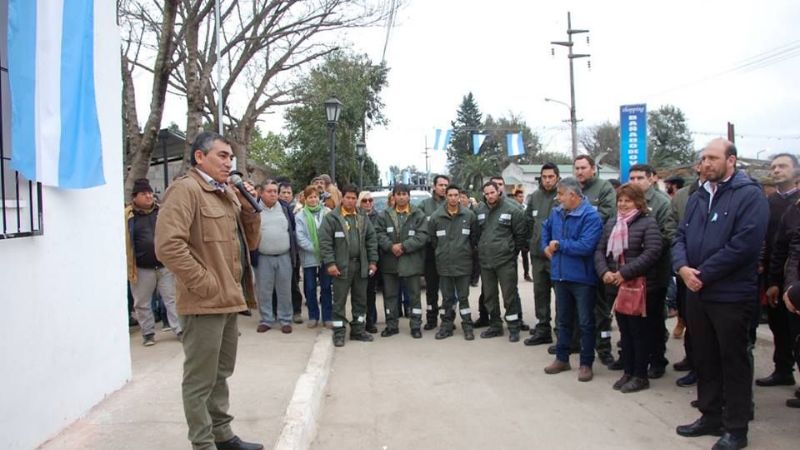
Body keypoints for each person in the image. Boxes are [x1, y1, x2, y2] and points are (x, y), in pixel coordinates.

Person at [155, 131, 263, 450]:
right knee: (200, 379)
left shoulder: (227, 192)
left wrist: (247, 206)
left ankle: (222, 434)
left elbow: (250, 243)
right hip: (204, 302)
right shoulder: (185, 190)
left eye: (230, 157)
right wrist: (206, 284)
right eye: (222, 156)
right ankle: (203, 443)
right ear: (199, 157)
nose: (228, 162)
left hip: (229, 300)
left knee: (221, 373)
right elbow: (168, 246)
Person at [673, 138, 768, 450]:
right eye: (703, 158)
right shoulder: (700, 195)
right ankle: (709, 415)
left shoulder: (749, 195)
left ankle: (736, 428)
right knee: (705, 356)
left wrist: (703, 274)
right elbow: (681, 235)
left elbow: (745, 245)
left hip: (730, 294)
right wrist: (683, 268)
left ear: (732, 160)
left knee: (734, 360)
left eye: (713, 157)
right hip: (696, 290)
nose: (706, 163)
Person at [595, 183, 663, 393]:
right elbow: (600, 249)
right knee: (624, 331)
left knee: (638, 332)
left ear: (638, 202)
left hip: (638, 286)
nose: (623, 204)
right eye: (620, 200)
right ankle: (628, 370)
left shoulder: (647, 223)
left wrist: (624, 273)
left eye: (628, 200)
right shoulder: (612, 222)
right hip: (616, 286)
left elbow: (652, 252)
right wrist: (604, 271)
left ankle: (640, 375)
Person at [541, 177, 603, 382]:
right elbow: (545, 228)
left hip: (582, 278)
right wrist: (545, 246)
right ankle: (562, 358)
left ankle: (586, 363)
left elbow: (586, 246)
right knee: (563, 320)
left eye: (560, 194)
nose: (558, 199)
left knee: (585, 322)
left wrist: (559, 246)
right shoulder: (557, 212)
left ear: (573, 195)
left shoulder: (591, 216)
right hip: (560, 275)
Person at [627, 164, 677, 379]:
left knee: (654, 320)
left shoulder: (662, 203)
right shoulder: (626, 201)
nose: (635, 182)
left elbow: (667, 235)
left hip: (655, 272)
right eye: (632, 178)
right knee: (632, 319)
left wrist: (644, 248)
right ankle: (634, 358)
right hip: (630, 271)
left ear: (652, 179)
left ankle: (657, 360)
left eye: (640, 178)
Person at [318, 184, 378, 347]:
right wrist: (330, 263)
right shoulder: (332, 218)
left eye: (353, 198)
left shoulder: (362, 217)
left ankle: (358, 330)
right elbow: (325, 242)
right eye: (348, 197)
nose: (351, 201)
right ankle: (339, 332)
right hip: (340, 267)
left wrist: (372, 261)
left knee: (361, 300)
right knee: (339, 301)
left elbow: (371, 240)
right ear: (342, 198)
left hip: (361, 266)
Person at [759, 154, 800, 390]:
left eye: (782, 166)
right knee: (779, 326)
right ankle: (782, 370)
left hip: (796, 276)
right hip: (775, 272)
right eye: (773, 167)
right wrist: (772, 278)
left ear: (796, 172)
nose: (776, 170)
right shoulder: (769, 202)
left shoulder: (797, 203)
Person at [572, 155, 617, 366]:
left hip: (598, 255)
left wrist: (579, 224)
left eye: (583, 168)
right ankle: (577, 343)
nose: (580, 172)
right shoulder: (571, 188)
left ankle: (604, 347)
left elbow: (606, 215)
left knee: (600, 306)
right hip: (576, 256)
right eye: (577, 168)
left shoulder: (604, 188)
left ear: (593, 169)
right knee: (577, 304)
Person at [125, 178, 182, 346]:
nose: (149, 196)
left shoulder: (161, 211)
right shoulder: (127, 215)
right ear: (135, 197)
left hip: (165, 265)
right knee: (142, 303)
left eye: (150, 193)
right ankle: (148, 333)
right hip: (141, 267)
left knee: (172, 298)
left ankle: (179, 329)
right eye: (144, 194)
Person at [475, 181, 527, 342]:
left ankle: (513, 327)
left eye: (492, 192)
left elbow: (520, 236)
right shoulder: (479, 210)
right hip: (486, 261)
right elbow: (477, 234)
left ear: (499, 191)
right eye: (487, 193)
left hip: (505, 261)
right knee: (489, 295)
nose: (490, 196)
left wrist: (511, 252)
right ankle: (495, 326)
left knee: (509, 295)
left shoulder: (512, 209)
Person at [375, 184, 429, 338]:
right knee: (390, 296)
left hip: (411, 262)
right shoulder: (384, 215)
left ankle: (416, 326)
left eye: (404, 194)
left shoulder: (418, 214)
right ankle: (391, 325)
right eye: (398, 194)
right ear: (393, 196)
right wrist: (390, 246)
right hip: (390, 262)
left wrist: (404, 246)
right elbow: (378, 233)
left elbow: (422, 235)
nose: (401, 197)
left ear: (408, 196)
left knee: (414, 296)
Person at [429, 185, 478, 340]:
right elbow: (433, 240)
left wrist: (464, 252)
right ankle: (446, 327)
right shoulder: (436, 217)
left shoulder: (469, 216)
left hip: (463, 264)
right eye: (450, 195)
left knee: (463, 297)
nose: (453, 198)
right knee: (447, 298)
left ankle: (468, 326)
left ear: (460, 196)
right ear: (446, 197)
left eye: (456, 195)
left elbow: (474, 239)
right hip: (444, 265)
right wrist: (442, 252)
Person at [524, 163, 560, 346]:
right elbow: (528, 221)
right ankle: (543, 329)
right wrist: (532, 242)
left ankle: (562, 332)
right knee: (540, 293)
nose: (547, 180)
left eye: (550, 177)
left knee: (560, 295)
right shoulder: (535, 197)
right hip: (537, 256)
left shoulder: (562, 196)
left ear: (557, 177)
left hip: (557, 256)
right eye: (544, 177)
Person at [255, 180, 297, 334]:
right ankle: (266, 319)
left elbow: (292, 230)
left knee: (285, 290)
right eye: (269, 191)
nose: (273, 194)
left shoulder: (285, 208)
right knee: (264, 291)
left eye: (275, 191)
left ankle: (285, 320)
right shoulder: (254, 208)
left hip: (284, 256)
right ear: (261, 193)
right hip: (263, 257)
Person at [295, 185, 333, 329]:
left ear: (319, 198)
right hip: (309, 257)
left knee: (326, 287)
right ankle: (313, 316)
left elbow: (331, 232)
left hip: (325, 257)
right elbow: (300, 237)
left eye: (315, 197)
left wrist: (325, 250)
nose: (313, 199)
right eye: (310, 197)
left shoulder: (327, 213)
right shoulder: (300, 215)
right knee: (310, 287)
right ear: (305, 198)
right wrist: (316, 249)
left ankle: (327, 316)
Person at [419, 174, 449, 329]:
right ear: (434, 186)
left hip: (447, 252)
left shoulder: (452, 203)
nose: (443, 188)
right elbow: (419, 226)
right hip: (430, 251)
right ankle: (431, 319)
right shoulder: (424, 205)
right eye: (441, 185)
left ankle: (447, 319)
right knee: (431, 289)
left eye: (446, 185)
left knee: (448, 289)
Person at [277, 181, 304, 324]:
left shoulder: (297, 209)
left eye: (288, 193)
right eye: (283, 192)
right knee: (277, 284)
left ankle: (296, 311)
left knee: (293, 282)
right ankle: (277, 311)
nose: (286, 195)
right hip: (278, 251)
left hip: (293, 251)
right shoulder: (276, 208)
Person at [358, 190, 380, 333]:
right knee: (359, 293)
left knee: (371, 292)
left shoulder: (379, 217)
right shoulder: (354, 217)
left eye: (370, 200)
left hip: (373, 259)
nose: (368, 203)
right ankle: (359, 321)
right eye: (365, 201)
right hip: (357, 260)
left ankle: (371, 321)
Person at [513, 187, 532, 282]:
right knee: (513, 257)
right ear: (515, 197)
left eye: (522, 196)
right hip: (515, 236)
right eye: (520, 197)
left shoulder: (525, 208)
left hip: (524, 236)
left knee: (525, 256)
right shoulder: (512, 207)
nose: (522, 198)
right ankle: (513, 275)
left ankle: (526, 274)